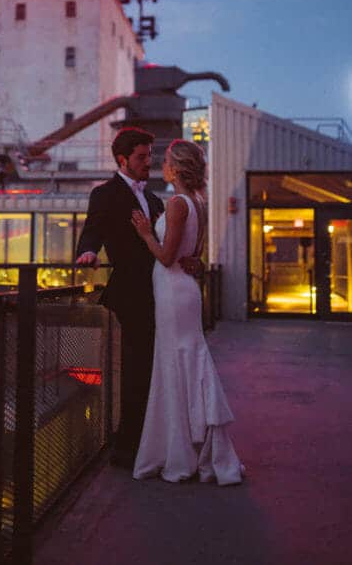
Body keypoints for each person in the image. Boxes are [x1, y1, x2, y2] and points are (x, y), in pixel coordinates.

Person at [76, 128, 203, 468]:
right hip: (133, 294)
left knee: (154, 367)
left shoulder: (158, 200)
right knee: (137, 368)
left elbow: (169, 245)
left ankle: (150, 440)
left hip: (162, 292)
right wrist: (87, 252)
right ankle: (128, 444)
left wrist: (190, 258)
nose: (149, 162)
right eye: (142, 157)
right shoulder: (104, 194)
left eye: (150, 156)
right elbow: (92, 229)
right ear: (122, 160)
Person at [131, 139, 244, 485]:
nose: (160, 165)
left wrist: (147, 233)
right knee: (186, 360)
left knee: (175, 363)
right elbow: (193, 256)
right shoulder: (198, 202)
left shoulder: (179, 203)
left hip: (173, 294)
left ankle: (182, 452)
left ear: (176, 168)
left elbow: (166, 257)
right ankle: (194, 445)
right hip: (183, 291)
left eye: (165, 160)